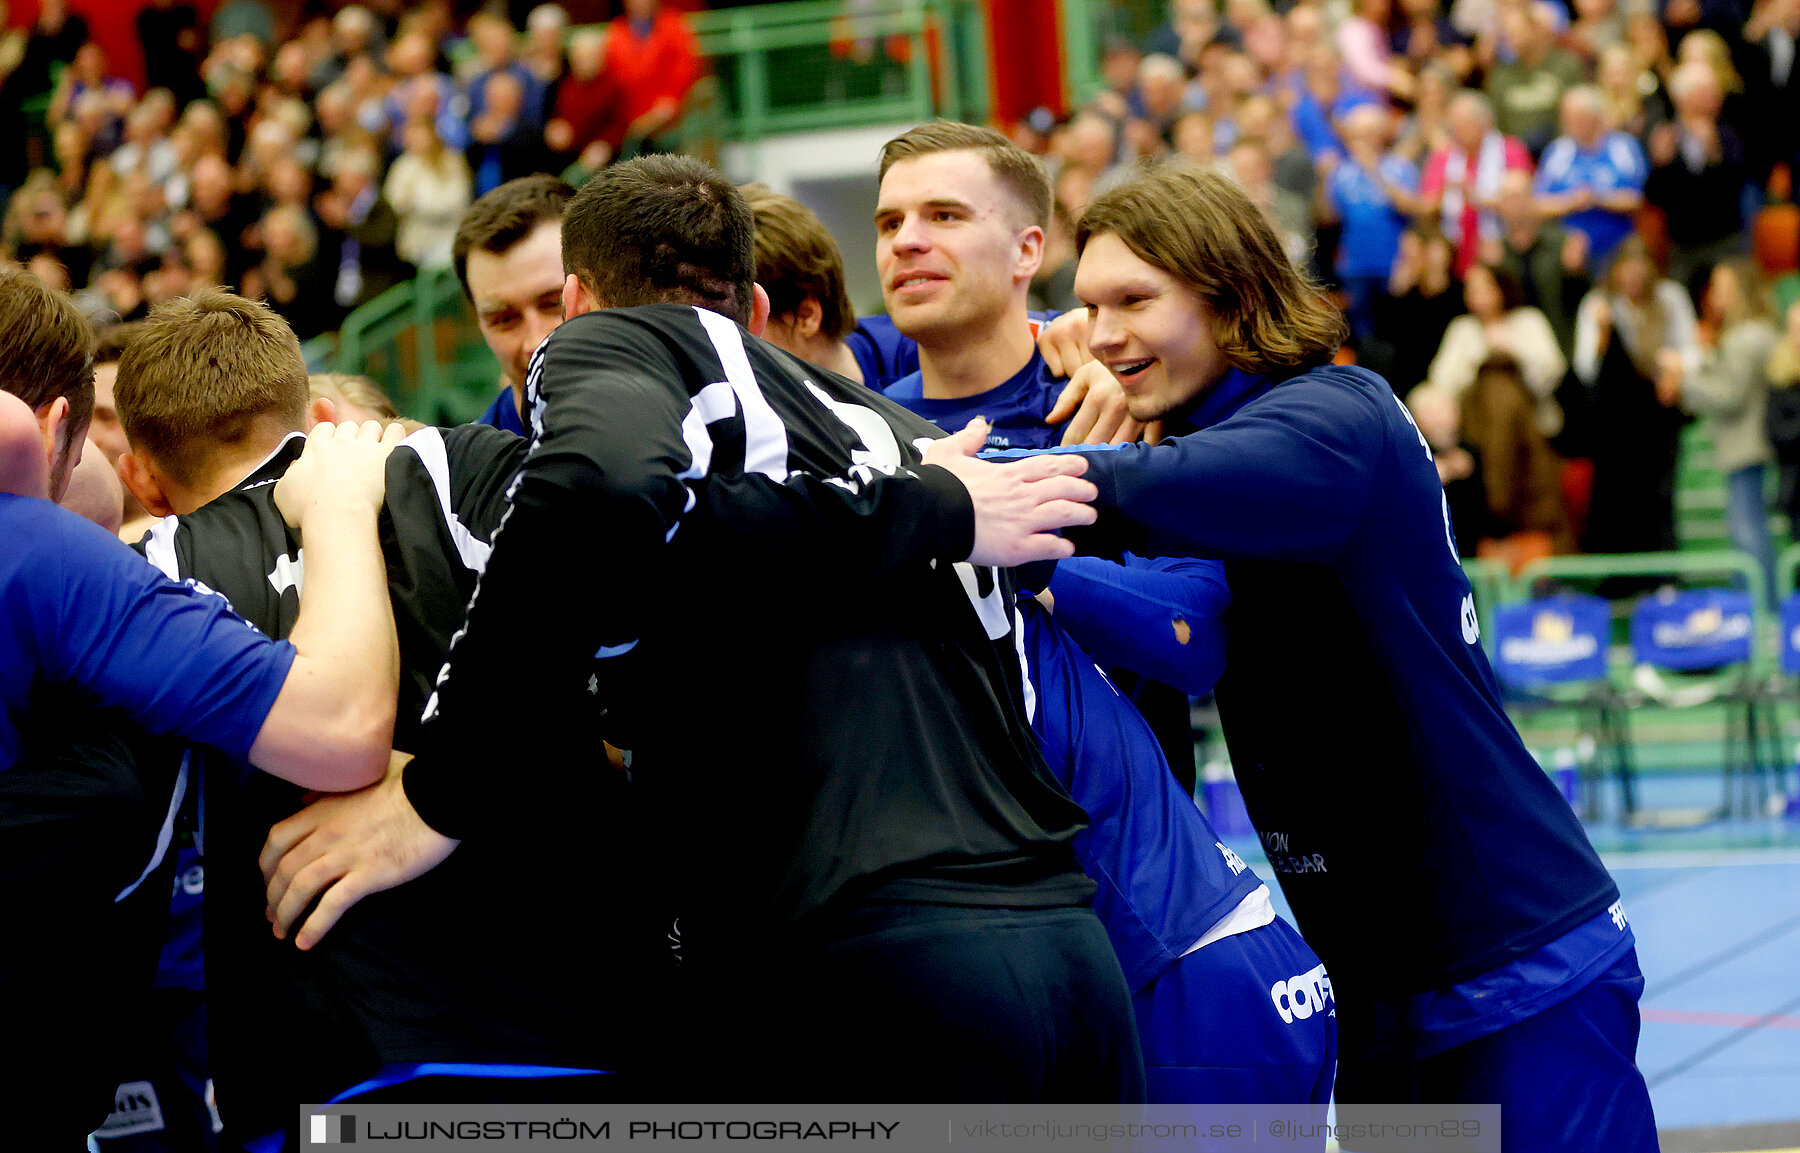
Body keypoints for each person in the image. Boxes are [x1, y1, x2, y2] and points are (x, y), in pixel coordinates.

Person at [261, 154, 1134, 1104]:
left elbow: (604, 488)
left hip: (866, 964)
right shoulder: (908, 440)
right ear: (755, 308)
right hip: (1069, 957)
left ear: (582, 298)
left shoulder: (619, 345)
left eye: (545, 315)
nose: (532, 346)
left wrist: (439, 795)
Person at [1020, 162, 1657, 1150]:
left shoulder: (1334, 416)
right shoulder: (1204, 463)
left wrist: (987, 492)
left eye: (1135, 301)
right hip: (1376, 986)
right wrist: (1032, 572)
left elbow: (1186, 491)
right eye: (1088, 304)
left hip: (1513, 965)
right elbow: (1188, 632)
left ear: (1228, 292)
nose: (1102, 336)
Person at [111, 291, 630, 1144]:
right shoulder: (459, 465)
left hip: (325, 1060)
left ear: (141, 477)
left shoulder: (147, 571)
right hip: (574, 1021)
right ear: (320, 416)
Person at [0, 268, 401, 1146]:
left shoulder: (108, 550)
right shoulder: (48, 552)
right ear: (54, 428)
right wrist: (337, 509)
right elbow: (341, 730)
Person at [1670, 258, 1779, 604]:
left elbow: (1728, 395)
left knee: (1748, 535)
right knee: (1747, 533)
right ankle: (1759, 606)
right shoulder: (1748, 334)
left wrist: (1686, 377)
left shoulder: (1748, 337)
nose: (1715, 297)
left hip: (1747, 447)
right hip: (1744, 446)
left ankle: (1762, 608)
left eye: (1722, 289)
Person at [453, 174, 575, 436]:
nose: (536, 341)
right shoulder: (472, 471)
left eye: (555, 304)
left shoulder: (681, 422)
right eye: (503, 319)